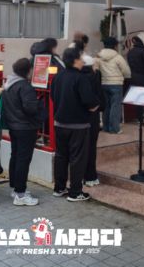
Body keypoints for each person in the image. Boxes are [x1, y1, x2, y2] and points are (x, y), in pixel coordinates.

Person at [50, 48, 100, 202]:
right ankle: (75, 192)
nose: (83, 61)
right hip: (78, 125)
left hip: (60, 123)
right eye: (81, 58)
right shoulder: (81, 78)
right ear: (75, 60)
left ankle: (59, 188)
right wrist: (95, 106)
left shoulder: (58, 76)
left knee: (61, 156)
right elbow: (90, 102)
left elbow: (53, 96)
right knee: (77, 158)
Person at [2, 58, 45, 206]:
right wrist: (40, 104)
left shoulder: (9, 84)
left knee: (15, 156)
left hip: (14, 126)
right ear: (27, 70)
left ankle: (15, 188)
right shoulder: (25, 86)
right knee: (23, 160)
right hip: (26, 127)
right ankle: (20, 194)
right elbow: (30, 108)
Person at [77, 42, 104, 187]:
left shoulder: (75, 77)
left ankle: (78, 176)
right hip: (91, 118)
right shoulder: (95, 77)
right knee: (91, 148)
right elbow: (101, 100)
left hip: (77, 118)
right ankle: (90, 176)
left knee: (78, 149)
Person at [95, 36, 131, 134]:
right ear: (115, 46)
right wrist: (125, 77)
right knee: (116, 106)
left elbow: (95, 69)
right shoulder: (118, 57)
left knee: (106, 106)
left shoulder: (98, 57)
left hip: (103, 83)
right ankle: (114, 128)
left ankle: (106, 127)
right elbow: (126, 71)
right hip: (116, 84)